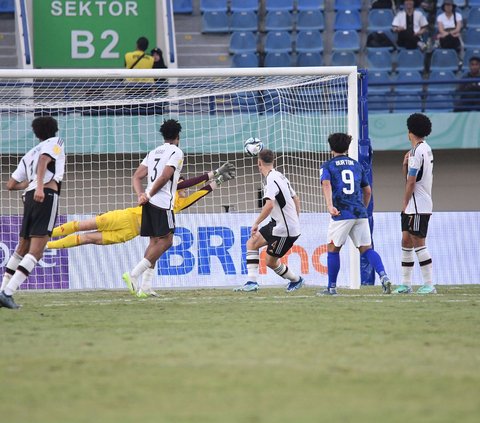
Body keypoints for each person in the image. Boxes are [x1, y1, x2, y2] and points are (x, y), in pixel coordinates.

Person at [46, 164, 235, 296]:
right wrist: (213, 173)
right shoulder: (165, 192)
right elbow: (185, 184)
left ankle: (49, 244)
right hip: (125, 216)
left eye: (183, 189)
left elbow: (199, 194)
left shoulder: (178, 205)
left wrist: (217, 182)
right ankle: (47, 236)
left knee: (88, 238)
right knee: (83, 225)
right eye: (180, 187)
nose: (183, 191)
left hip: (129, 232)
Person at [0, 117, 66, 309]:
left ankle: (2, 291)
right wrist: (39, 187)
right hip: (45, 195)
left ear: (36, 132)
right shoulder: (56, 142)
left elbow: (10, 185)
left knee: (23, 246)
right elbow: (45, 160)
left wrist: (31, 185)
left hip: (28, 197)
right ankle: (7, 292)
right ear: (54, 129)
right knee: (37, 249)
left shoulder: (29, 153)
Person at [319, 133, 391, 296]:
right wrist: (363, 208)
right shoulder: (357, 165)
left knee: (333, 248)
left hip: (342, 212)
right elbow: (367, 190)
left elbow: (326, 183)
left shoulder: (328, 165)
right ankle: (383, 276)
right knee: (366, 249)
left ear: (331, 148)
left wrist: (330, 206)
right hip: (359, 211)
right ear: (347, 147)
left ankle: (331, 288)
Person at [121, 119, 184, 297]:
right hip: (162, 203)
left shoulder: (153, 152)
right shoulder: (176, 151)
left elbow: (136, 176)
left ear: (163, 135)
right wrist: (147, 195)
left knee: (154, 243)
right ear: (178, 136)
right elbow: (164, 177)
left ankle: (145, 287)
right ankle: (133, 274)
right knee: (167, 241)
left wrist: (142, 194)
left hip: (149, 203)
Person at [235, 149, 305, 293]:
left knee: (270, 262)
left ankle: (296, 279)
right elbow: (296, 198)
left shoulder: (271, 180)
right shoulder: (280, 176)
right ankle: (251, 282)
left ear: (259, 163)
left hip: (284, 231)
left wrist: (256, 223)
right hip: (278, 224)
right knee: (252, 243)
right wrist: (295, 219)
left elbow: (269, 205)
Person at [394, 113, 435, 294]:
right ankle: (406, 284)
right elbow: (412, 177)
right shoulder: (424, 148)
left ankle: (429, 284)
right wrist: (405, 166)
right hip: (415, 204)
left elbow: (411, 182)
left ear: (409, 131)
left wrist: (404, 202)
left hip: (418, 204)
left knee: (418, 242)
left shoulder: (417, 151)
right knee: (406, 240)